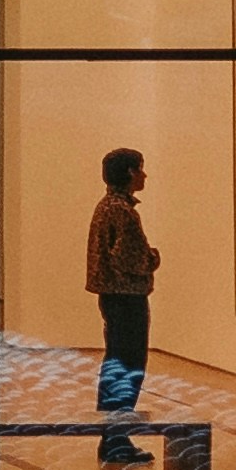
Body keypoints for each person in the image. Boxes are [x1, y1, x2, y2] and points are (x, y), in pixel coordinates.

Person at [83, 142, 162, 449]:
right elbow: (130, 258)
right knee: (129, 364)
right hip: (127, 297)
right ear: (130, 172)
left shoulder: (105, 207)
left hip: (111, 296)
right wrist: (153, 258)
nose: (145, 175)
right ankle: (116, 436)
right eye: (140, 168)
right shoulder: (123, 212)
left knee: (115, 362)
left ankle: (112, 433)